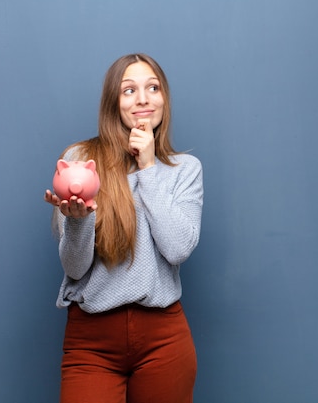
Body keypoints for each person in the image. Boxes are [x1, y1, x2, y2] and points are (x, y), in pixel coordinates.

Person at [44, 53, 203, 403]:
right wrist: (77, 221)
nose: (143, 98)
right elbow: (74, 268)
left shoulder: (184, 169)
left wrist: (147, 167)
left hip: (164, 338)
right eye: (129, 90)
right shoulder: (80, 160)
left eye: (153, 88)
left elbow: (178, 248)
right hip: (92, 342)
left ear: (164, 99)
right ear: (113, 103)